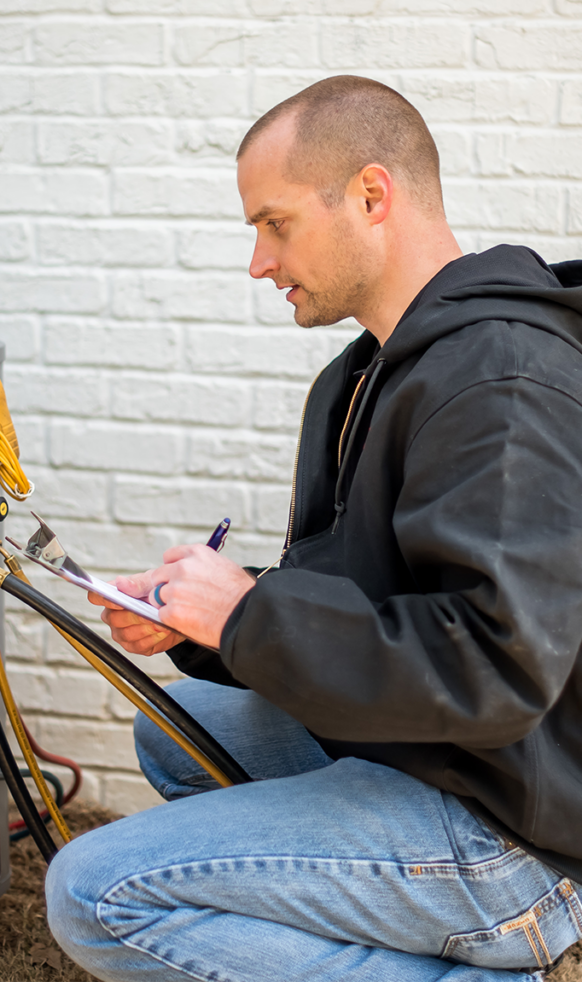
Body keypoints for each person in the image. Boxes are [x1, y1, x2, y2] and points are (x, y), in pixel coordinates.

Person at [44, 75, 582, 982]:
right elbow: (360, 593)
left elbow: (496, 668)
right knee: (178, 725)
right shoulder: (367, 371)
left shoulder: (498, 379)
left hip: (512, 827)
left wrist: (248, 619)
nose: (258, 260)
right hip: (440, 760)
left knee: (92, 894)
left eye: (275, 222)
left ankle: (483, 951)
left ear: (372, 195)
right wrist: (209, 618)